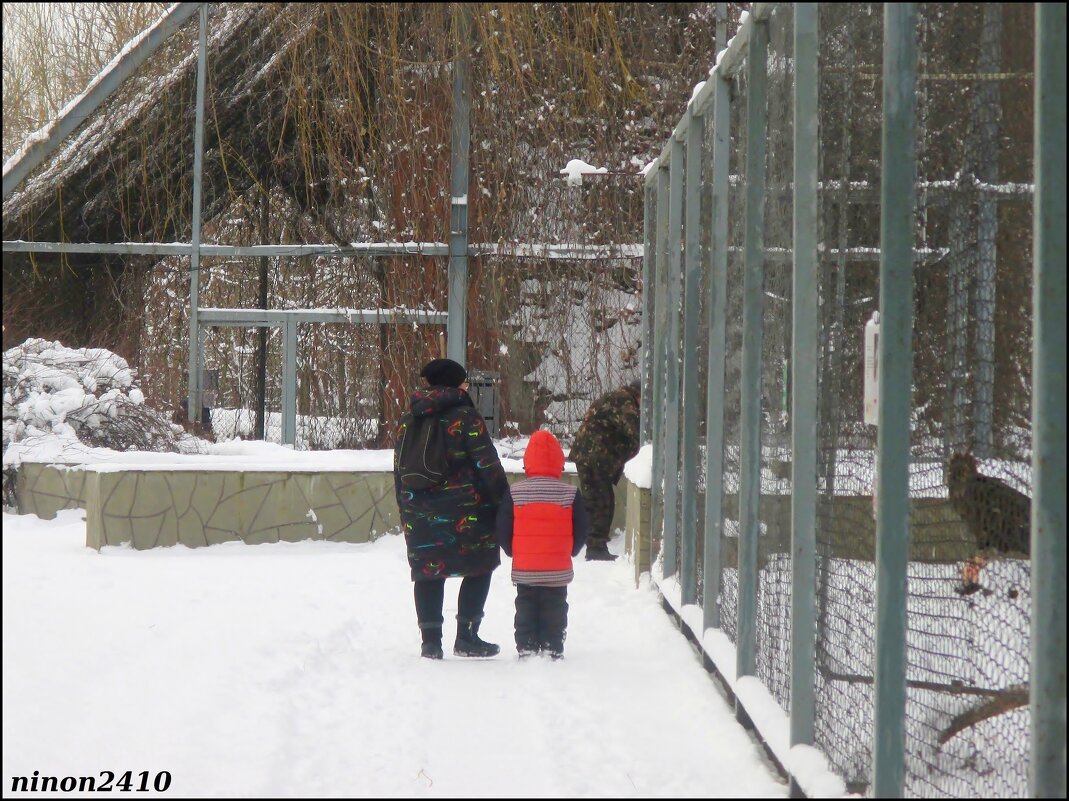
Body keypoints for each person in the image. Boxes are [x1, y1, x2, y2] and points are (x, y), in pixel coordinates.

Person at [393, 358, 510, 660]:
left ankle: (430, 642)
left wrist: (405, 510)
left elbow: (398, 469)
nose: (468, 386)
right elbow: (487, 464)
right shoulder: (466, 417)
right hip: (467, 512)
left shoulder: (408, 419)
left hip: (418, 509)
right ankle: (467, 637)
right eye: (464, 382)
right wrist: (503, 502)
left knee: (428, 572)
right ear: (456, 384)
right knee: (481, 565)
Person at [496, 430, 588, 659]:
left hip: (526, 566)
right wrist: (571, 551)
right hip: (557, 567)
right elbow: (582, 528)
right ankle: (552, 644)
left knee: (525, 605)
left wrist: (512, 551)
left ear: (527, 461)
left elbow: (503, 526)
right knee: (555, 606)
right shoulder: (570, 493)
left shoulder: (515, 492)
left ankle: (526, 643)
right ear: (559, 461)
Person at [568, 380, 641, 561]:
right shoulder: (624, 401)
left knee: (596, 500)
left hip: (590, 454)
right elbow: (635, 430)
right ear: (639, 396)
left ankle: (591, 542)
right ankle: (595, 547)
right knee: (601, 501)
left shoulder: (617, 397)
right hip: (596, 456)